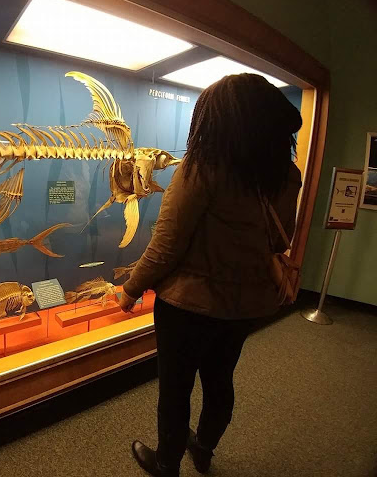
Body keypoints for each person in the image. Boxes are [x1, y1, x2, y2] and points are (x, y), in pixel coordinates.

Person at [118, 73, 303, 477]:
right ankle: (203, 448)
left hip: (188, 306)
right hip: (244, 306)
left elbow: (166, 246)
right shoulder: (287, 175)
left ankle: (167, 463)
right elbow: (280, 239)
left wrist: (130, 289)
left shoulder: (201, 168)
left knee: (176, 387)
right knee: (220, 379)